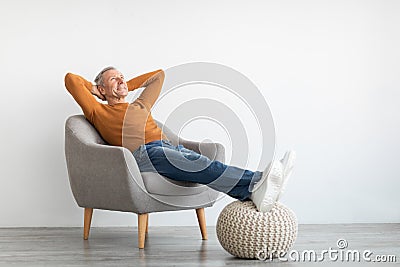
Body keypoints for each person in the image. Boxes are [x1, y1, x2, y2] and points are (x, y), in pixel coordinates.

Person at [64, 67, 296, 213]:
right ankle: (256, 181)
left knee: (204, 165)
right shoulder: (98, 112)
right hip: (144, 154)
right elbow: (71, 79)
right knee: (202, 165)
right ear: (102, 90)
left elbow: (158, 76)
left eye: (122, 76)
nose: (121, 80)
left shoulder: (140, 104)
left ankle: (250, 190)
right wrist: (96, 90)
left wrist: (125, 85)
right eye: (114, 79)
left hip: (168, 147)